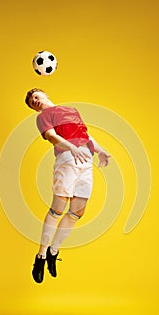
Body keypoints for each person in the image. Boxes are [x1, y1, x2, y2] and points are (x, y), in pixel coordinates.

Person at [25, 88, 110, 283]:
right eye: (32, 102)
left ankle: (53, 252)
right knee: (58, 209)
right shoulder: (44, 116)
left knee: (77, 212)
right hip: (67, 158)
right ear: (34, 109)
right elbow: (52, 136)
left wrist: (101, 150)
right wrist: (71, 147)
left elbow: (86, 135)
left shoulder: (71, 110)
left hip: (86, 159)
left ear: (45, 94)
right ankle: (41, 256)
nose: (35, 101)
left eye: (36, 96)